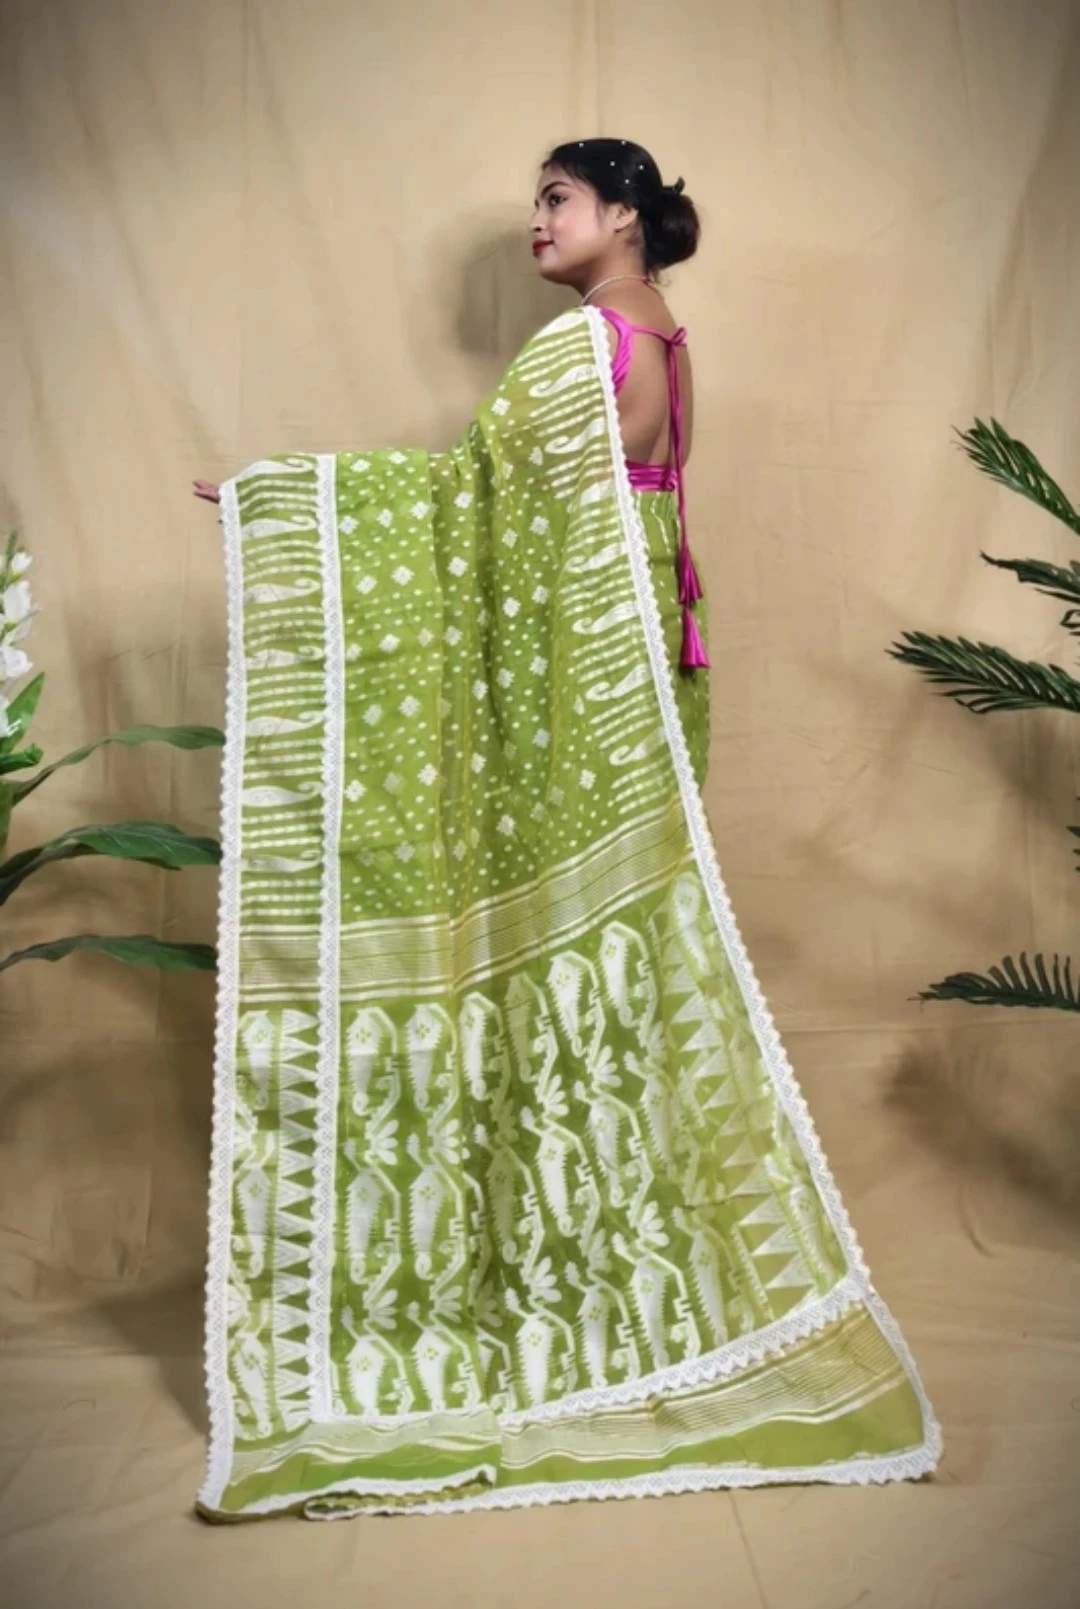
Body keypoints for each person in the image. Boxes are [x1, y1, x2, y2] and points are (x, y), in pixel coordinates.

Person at [196, 139, 939, 1523]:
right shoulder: (672, 342)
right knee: (630, 953)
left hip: (582, 682)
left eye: (556, 199)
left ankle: (564, 1279)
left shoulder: (584, 344)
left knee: (555, 945)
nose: (537, 222)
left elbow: (463, 502)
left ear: (623, 213)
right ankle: (623, 1258)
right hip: (652, 653)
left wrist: (286, 504)